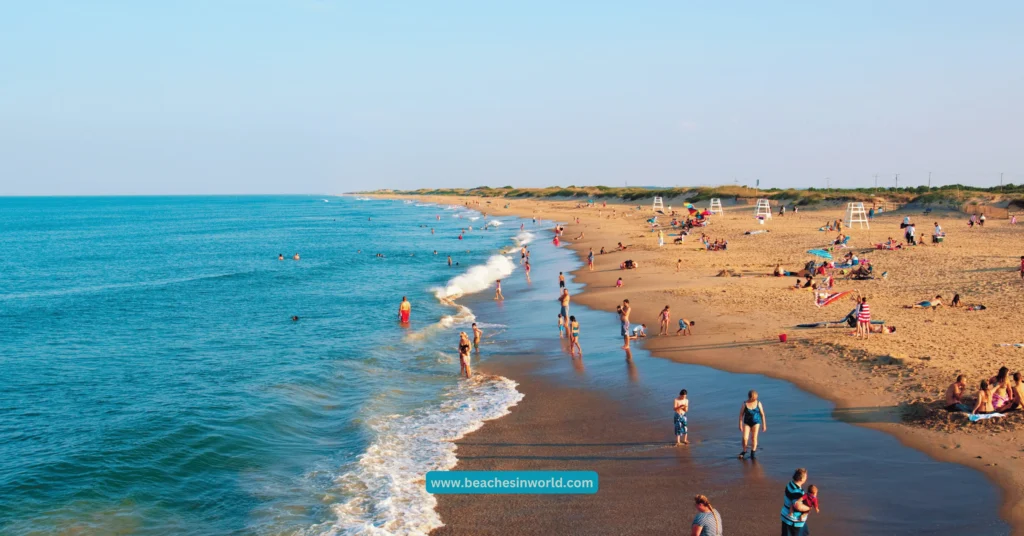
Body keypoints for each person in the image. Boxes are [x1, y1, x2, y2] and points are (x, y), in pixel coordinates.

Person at [781, 468, 811, 536]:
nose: (807, 477)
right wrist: (808, 508)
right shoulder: (797, 491)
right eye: (805, 476)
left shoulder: (790, 484)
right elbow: (797, 505)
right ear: (801, 479)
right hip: (794, 520)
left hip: (786, 516)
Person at [738, 390, 766, 459]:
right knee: (745, 438)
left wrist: (764, 425)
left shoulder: (758, 403)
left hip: (756, 422)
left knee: (754, 438)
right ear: (750, 397)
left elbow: (762, 414)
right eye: (754, 398)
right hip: (747, 423)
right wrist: (740, 424)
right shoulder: (745, 404)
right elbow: (741, 415)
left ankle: (753, 453)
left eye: (756, 397)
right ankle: (744, 450)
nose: (755, 399)